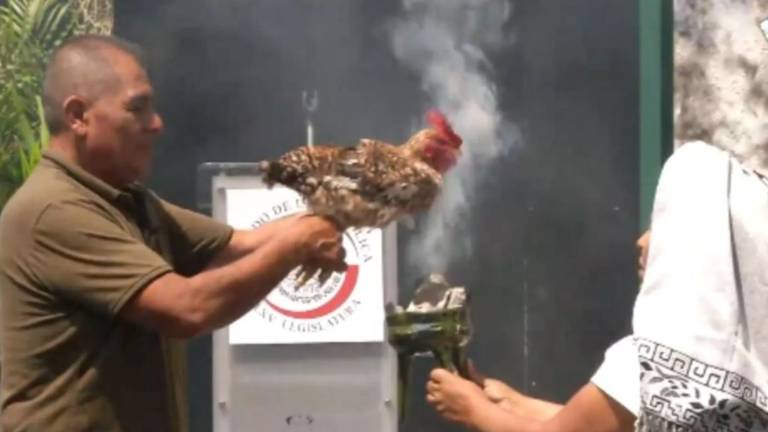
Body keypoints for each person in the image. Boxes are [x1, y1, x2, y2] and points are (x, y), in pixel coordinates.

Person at [0, 35, 347, 432]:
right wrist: (299, 243)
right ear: (78, 116)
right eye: (137, 108)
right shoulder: (56, 210)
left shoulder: (126, 200)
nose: (157, 123)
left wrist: (337, 218)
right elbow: (187, 309)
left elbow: (240, 245)